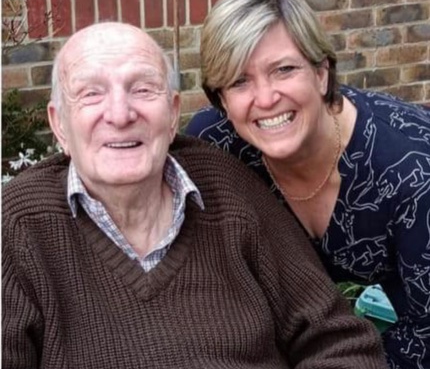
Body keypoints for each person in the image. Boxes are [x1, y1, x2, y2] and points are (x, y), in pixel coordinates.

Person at [1, 22, 389, 369]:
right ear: (59, 125)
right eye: (91, 94)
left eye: (142, 89)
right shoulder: (18, 227)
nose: (120, 114)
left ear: (172, 115)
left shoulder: (227, 187)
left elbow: (339, 341)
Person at [185, 0, 430, 369]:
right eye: (239, 81)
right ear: (220, 100)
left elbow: (425, 335)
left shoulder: (411, 172)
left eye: (284, 69)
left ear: (320, 73)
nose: (265, 99)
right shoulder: (214, 147)